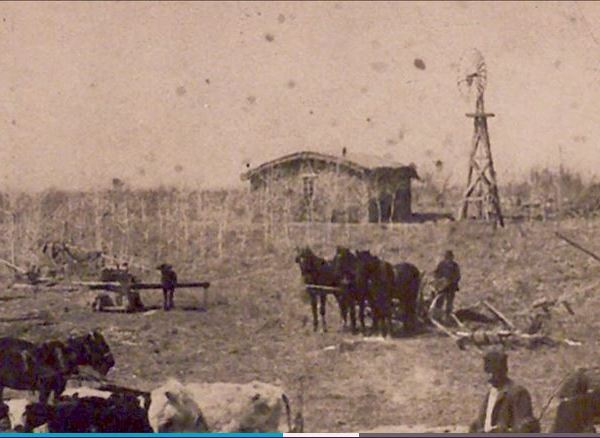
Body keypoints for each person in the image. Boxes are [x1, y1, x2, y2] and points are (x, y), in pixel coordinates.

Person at [470, 350, 540, 433]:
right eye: (488, 372)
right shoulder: (490, 394)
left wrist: (502, 431)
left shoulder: (518, 393)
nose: (490, 377)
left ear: (504, 371)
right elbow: (482, 424)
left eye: (494, 372)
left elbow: (525, 428)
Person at [432, 250, 461, 321]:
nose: (448, 259)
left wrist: (451, 281)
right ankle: (437, 317)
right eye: (447, 257)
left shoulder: (454, 265)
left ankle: (448, 317)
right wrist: (439, 281)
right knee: (439, 301)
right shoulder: (441, 264)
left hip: (451, 287)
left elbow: (458, 276)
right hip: (442, 287)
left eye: (449, 257)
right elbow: (436, 273)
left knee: (449, 302)